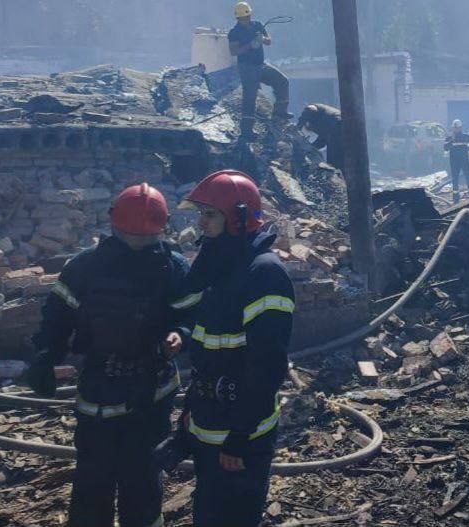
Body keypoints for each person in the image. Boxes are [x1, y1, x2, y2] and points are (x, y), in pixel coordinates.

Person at [27, 183, 191, 527]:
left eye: (145, 241)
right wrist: (45, 355)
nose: (138, 246)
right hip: (99, 388)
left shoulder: (173, 268)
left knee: (141, 482)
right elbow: (57, 317)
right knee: (93, 480)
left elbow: (190, 316)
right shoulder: (85, 267)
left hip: (151, 391)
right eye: (131, 238)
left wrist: (181, 334)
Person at [175, 170, 294, 527]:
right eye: (201, 214)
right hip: (209, 422)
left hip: (241, 435)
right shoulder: (218, 264)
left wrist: (240, 436)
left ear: (237, 217)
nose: (201, 222)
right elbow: (207, 352)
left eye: (209, 214)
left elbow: (267, 365)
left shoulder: (264, 273)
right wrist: (190, 412)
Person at [229, 1, 292, 139]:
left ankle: (279, 113)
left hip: (260, 65)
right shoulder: (234, 32)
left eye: (247, 17)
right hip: (246, 68)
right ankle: (246, 131)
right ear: (238, 18)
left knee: (282, 81)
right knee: (250, 97)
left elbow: (269, 41)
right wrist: (250, 45)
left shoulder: (258, 25)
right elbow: (234, 51)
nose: (246, 20)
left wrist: (262, 39)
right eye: (243, 18)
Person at [297, 103, 344, 170]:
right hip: (340, 127)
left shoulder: (314, 109)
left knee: (333, 152)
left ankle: (334, 169)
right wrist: (310, 148)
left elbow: (310, 109)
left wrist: (298, 127)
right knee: (336, 154)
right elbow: (321, 142)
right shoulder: (323, 128)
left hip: (336, 123)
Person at [444, 119, 469, 202]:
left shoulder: (466, 136)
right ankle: (456, 196)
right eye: (455, 128)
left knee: (468, 175)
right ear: (452, 128)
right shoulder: (449, 138)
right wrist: (451, 141)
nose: (456, 129)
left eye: (458, 127)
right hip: (454, 161)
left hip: (464, 160)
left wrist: (468, 149)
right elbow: (445, 148)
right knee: (455, 178)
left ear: (461, 128)